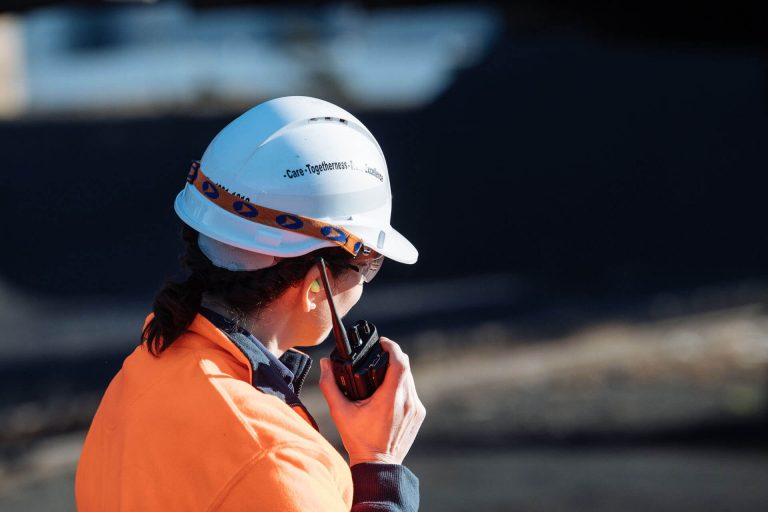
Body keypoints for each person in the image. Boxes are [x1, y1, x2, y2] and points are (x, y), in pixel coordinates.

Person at [75, 96, 426, 511]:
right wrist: (379, 467)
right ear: (317, 286)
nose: (366, 281)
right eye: (369, 264)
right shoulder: (275, 459)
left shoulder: (143, 372)